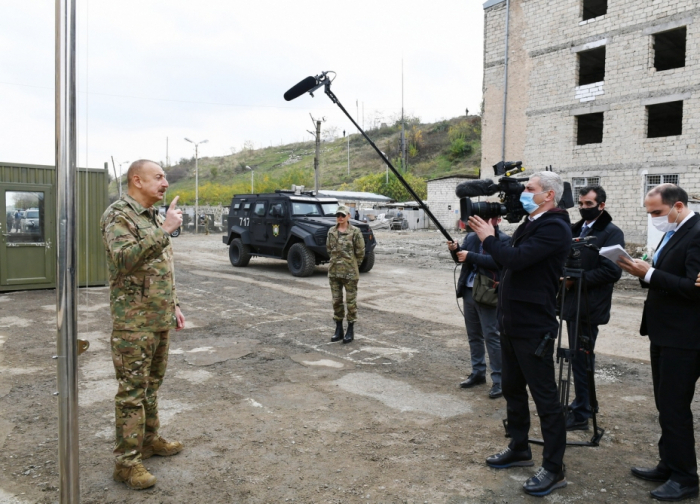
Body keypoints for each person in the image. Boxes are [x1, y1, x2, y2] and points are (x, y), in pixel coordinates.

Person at [468, 171, 571, 497]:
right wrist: (472, 253)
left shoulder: (555, 226)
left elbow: (516, 258)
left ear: (549, 195)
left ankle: (554, 468)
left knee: (546, 400)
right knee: (513, 390)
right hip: (511, 323)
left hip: (533, 327)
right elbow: (505, 263)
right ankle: (519, 447)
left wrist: (488, 237)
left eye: (530, 189)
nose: (524, 194)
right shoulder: (530, 223)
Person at [101, 159, 186, 490]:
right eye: (159, 177)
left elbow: (161, 268)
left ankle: (149, 441)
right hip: (133, 322)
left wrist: (174, 305)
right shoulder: (117, 216)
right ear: (137, 180)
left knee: (151, 385)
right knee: (132, 392)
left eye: (165, 177)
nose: (165, 183)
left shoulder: (151, 217)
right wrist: (164, 231)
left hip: (158, 317)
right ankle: (126, 463)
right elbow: (124, 260)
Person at [618, 183, 700, 502]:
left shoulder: (696, 232)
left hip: (685, 336)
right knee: (664, 403)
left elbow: (694, 289)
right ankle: (669, 462)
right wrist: (640, 270)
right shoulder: (673, 230)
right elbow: (665, 274)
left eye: (656, 212)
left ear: (677, 206)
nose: (652, 217)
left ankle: (685, 478)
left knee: (674, 406)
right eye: (648, 212)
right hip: (663, 332)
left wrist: (650, 273)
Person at [561, 185, 624, 431]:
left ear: (601, 205)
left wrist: (576, 278)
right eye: (581, 204)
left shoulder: (611, 233)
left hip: (590, 306)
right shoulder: (575, 229)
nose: (584, 208)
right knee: (577, 356)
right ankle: (584, 403)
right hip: (571, 303)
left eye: (589, 204)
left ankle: (582, 413)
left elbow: (612, 271)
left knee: (582, 357)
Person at [447, 216, 510, 399]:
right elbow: (462, 260)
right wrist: (456, 250)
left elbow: (499, 262)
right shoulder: (472, 238)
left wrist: (470, 255)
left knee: (492, 336)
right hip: (469, 291)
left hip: (489, 293)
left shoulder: (504, 240)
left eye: (487, 219)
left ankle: (499, 380)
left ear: (497, 220)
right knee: (474, 334)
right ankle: (478, 372)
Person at [326, 205, 365, 344]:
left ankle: (350, 329)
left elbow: (360, 252)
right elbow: (329, 249)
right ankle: (338, 329)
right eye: (338, 216)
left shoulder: (355, 232)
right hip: (334, 272)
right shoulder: (331, 231)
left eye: (343, 215)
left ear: (348, 216)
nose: (340, 218)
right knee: (336, 301)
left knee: (351, 303)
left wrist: (352, 265)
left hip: (350, 273)